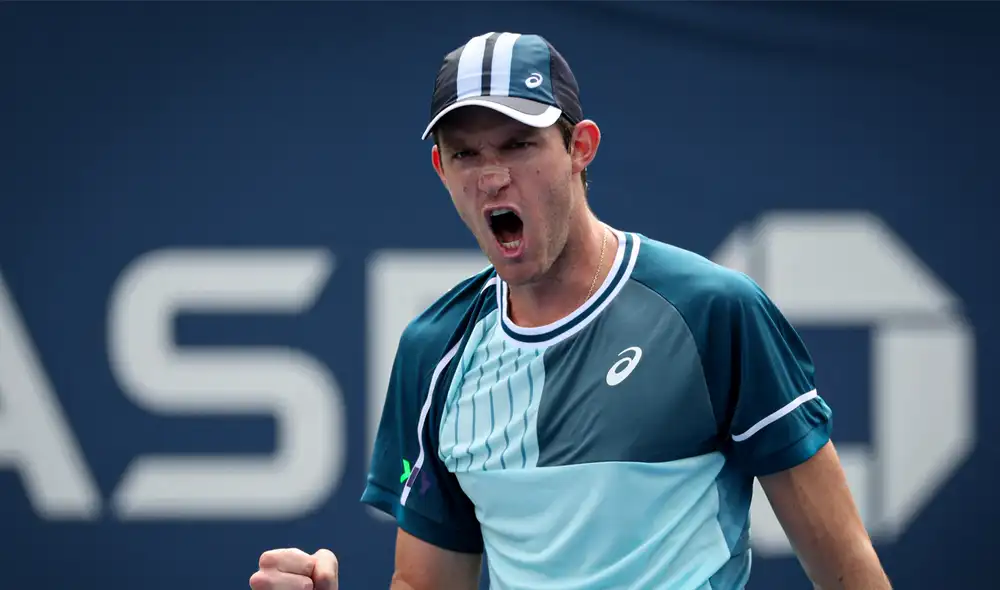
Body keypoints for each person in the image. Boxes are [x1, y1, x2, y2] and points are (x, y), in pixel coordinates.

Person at [250, 32, 892, 590]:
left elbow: (844, 565)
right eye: (466, 153)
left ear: (580, 147)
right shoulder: (433, 351)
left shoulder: (713, 313)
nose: (492, 177)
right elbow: (425, 582)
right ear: (441, 168)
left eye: (518, 144)